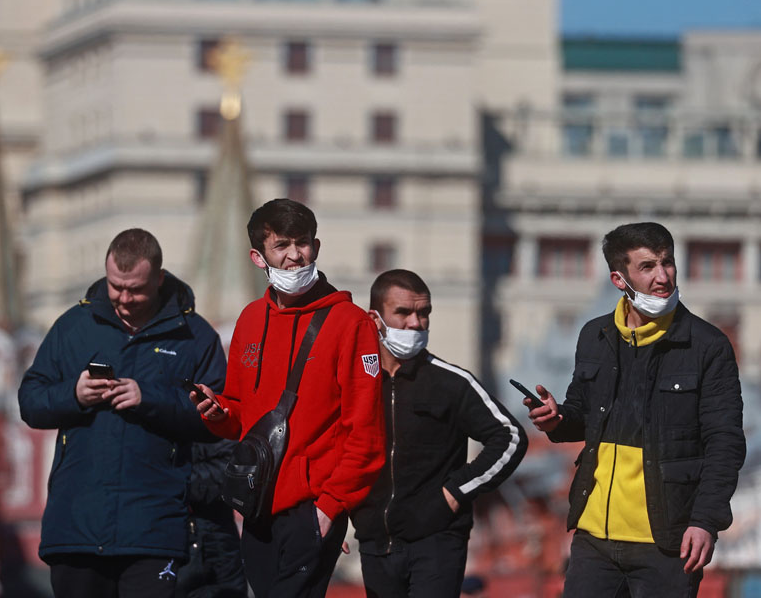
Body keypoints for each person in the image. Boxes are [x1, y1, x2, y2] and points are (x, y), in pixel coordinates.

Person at [526, 222, 745, 597]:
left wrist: (706, 521)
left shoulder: (708, 346)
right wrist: (557, 418)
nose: (663, 277)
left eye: (668, 263)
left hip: (668, 542)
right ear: (618, 278)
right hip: (593, 539)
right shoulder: (593, 336)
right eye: (647, 267)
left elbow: (725, 443)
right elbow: (583, 414)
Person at [193, 198, 386, 598]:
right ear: (258, 256)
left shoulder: (350, 324)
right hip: (256, 504)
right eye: (281, 245)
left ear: (316, 245)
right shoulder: (249, 319)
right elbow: (242, 416)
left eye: (303, 243)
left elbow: (365, 432)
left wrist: (329, 509)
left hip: (311, 509)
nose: (295, 256)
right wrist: (218, 413)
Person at [19, 228, 226, 598]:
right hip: (76, 526)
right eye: (116, 286)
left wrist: (150, 398)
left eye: (136, 289)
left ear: (160, 279)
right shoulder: (73, 327)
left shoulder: (195, 336)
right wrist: (75, 394)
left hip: (153, 530)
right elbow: (30, 401)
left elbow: (220, 419)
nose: (124, 298)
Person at [351, 269, 527, 598]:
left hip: (437, 540)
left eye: (424, 313)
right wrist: (339, 511)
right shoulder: (355, 381)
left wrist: (455, 493)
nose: (416, 323)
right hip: (374, 541)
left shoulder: (452, 382)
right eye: (403, 313)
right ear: (375, 318)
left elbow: (509, 436)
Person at [175, 439, 248, 598]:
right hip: (168, 546)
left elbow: (235, 467)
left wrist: (173, 481)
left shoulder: (211, 422)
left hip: (218, 543)